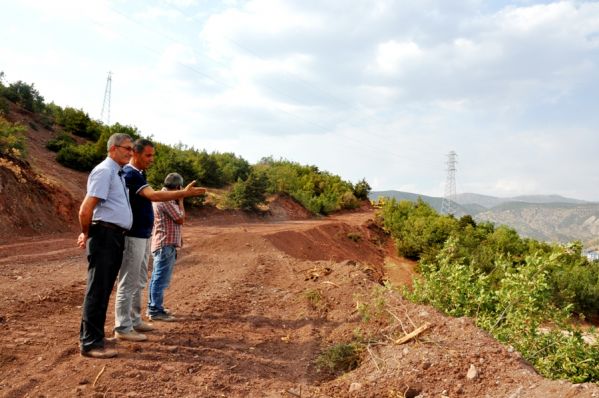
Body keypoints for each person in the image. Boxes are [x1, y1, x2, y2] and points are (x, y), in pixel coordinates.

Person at [113, 139, 206, 342]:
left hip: (144, 235)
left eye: (152, 155)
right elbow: (154, 196)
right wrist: (184, 194)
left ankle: (135, 320)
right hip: (133, 234)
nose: (152, 160)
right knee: (128, 282)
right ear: (135, 154)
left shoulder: (139, 174)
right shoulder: (130, 173)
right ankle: (122, 326)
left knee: (138, 280)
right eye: (148, 155)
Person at [77, 133, 134, 359]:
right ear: (113, 149)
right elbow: (85, 209)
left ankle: (96, 335)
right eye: (126, 149)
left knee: (103, 288)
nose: (130, 152)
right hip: (105, 236)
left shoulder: (116, 173)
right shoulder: (104, 171)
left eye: (131, 149)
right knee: (97, 289)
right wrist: (86, 232)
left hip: (114, 236)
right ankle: (90, 343)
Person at [147, 173, 186, 321]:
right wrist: (181, 201)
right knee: (160, 278)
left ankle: (154, 307)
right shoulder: (166, 200)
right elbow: (181, 219)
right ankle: (155, 310)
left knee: (158, 277)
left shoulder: (162, 198)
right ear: (178, 187)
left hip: (163, 243)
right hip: (165, 244)